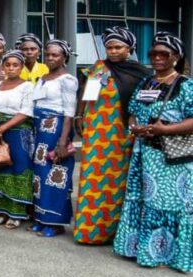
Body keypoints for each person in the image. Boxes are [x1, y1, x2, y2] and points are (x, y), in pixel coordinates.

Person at [114, 32, 192, 273]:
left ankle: (167, 254)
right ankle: (142, 248)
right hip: (144, 154)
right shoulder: (146, 82)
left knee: (168, 204)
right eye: (153, 54)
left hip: (171, 157)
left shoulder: (185, 85)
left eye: (163, 54)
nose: (157, 58)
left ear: (176, 57)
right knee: (146, 201)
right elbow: (134, 110)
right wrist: (134, 126)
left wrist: (164, 129)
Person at [73, 26, 149, 245]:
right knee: (92, 180)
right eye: (109, 47)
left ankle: (114, 232)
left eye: (118, 47)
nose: (113, 51)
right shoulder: (99, 68)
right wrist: (79, 116)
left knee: (118, 183)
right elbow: (87, 94)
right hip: (97, 133)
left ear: (129, 48)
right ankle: (90, 232)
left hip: (122, 135)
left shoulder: (141, 73)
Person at [29, 39, 79, 237]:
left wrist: (62, 142)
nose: (50, 58)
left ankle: (55, 222)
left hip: (57, 129)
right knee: (40, 176)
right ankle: (41, 218)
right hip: (40, 130)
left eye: (55, 55)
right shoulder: (43, 77)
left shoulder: (68, 80)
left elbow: (69, 113)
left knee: (55, 176)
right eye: (48, 54)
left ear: (64, 57)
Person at [0, 50, 35, 229]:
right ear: (3, 66)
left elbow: (26, 111)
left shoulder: (27, 86)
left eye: (15, 65)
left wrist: (2, 128)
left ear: (22, 67)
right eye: (8, 65)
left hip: (17, 133)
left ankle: (16, 213)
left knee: (17, 170)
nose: (11, 68)